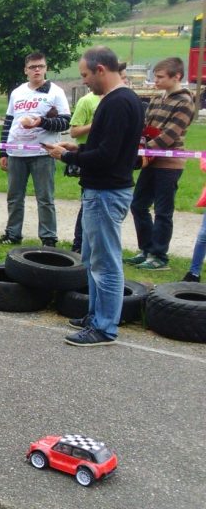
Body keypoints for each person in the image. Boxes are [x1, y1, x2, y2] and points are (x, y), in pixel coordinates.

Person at [44, 46, 144, 347]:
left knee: (105, 263)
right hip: (103, 189)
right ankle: (96, 315)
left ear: (101, 69)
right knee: (92, 258)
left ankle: (104, 327)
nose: (84, 81)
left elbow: (107, 156)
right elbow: (106, 148)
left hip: (106, 191)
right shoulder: (119, 101)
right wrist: (77, 149)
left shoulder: (117, 103)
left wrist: (67, 158)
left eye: (86, 75)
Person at [0, 52, 72, 247]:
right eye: (33, 67)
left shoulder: (55, 92)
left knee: (45, 197)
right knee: (14, 196)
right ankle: (12, 234)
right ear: (26, 70)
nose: (37, 70)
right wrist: (3, 151)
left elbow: (65, 122)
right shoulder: (18, 92)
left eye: (41, 66)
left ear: (46, 68)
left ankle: (48, 238)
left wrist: (41, 122)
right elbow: (8, 123)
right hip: (16, 152)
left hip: (43, 153)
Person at [126, 57, 196, 271]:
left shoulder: (185, 102)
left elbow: (170, 135)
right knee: (138, 204)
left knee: (163, 211)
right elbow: (146, 127)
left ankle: (160, 256)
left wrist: (141, 152)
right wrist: (140, 145)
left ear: (177, 77)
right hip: (151, 160)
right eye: (154, 76)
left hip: (169, 163)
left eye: (160, 77)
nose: (155, 80)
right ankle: (146, 249)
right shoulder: (157, 99)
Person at [66, 89, 102, 253]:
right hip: (87, 157)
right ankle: (79, 244)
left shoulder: (120, 99)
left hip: (104, 163)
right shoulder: (87, 101)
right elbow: (74, 131)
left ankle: (89, 245)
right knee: (88, 203)